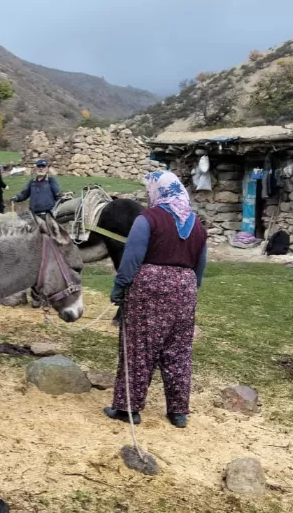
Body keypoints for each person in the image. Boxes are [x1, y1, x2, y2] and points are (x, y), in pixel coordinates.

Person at [105, 171, 208, 429]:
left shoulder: (147, 219)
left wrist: (120, 287)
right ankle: (178, 412)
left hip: (149, 287)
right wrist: (188, 289)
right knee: (178, 350)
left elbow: (132, 258)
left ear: (157, 190)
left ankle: (127, 408)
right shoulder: (197, 224)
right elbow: (200, 267)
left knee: (139, 347)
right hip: (185, 289)